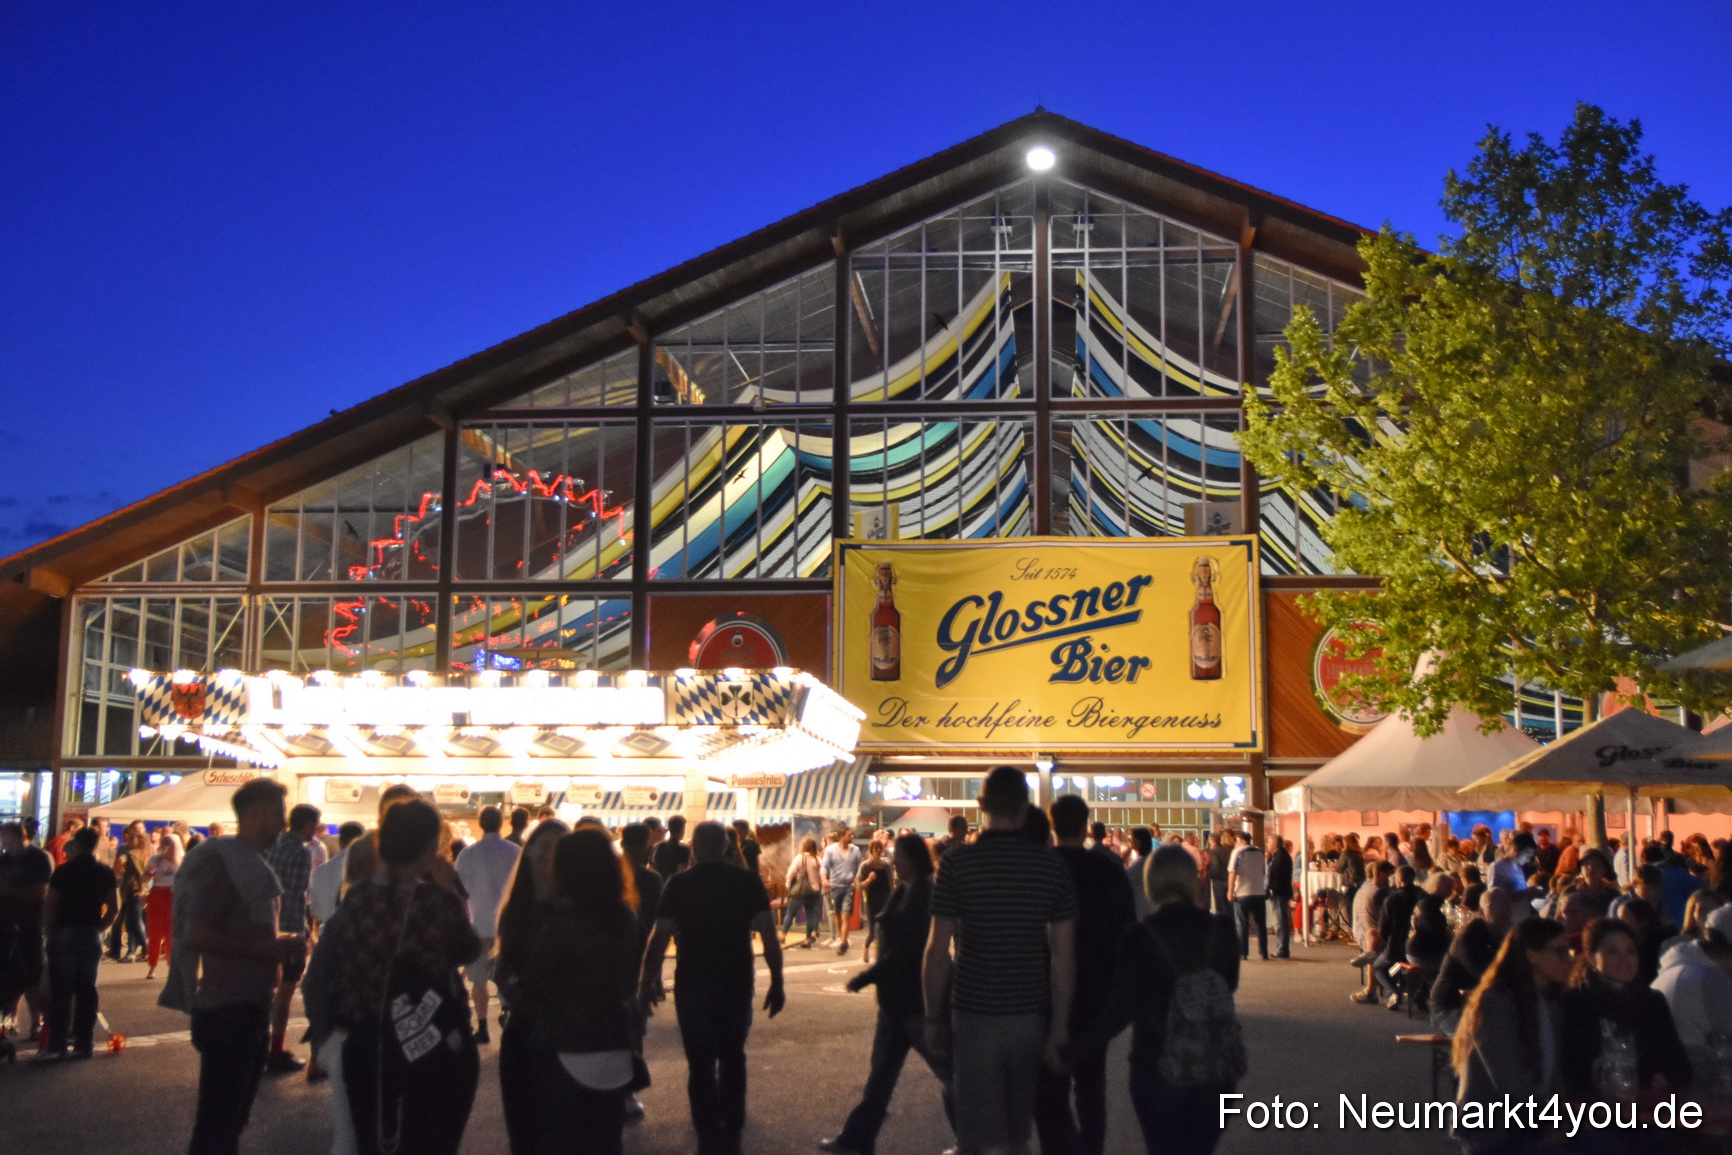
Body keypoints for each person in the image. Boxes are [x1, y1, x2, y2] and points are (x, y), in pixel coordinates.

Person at [923, 766, 1077, 1155]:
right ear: (1025, 808)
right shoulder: (1050, 867)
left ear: (981, 805)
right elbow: (1063, 958)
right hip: (1030, 1013)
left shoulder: (958, 865)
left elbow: (937, 952)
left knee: (980, 1137)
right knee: (1016, 1133)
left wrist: (932, 1017)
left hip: (974, 1013)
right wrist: (1059, 1027)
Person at [1074, 844, 1243, 1155]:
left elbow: (1119, 1009)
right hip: (1215, 1065)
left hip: (1157, 1065)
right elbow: (1228, 985)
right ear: (1193, 880)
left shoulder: (1140, 935)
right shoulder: (1222, 930)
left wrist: (1078, 1047)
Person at [168, 778, 306, 1154]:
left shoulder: (250, 863)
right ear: (256, 814)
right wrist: (264, 951)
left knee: (230, 1120)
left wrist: (279, 944)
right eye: (279, 814)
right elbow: (198, 932)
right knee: (219, 1125)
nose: (283, 824)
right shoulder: (226, 865)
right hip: (229, 1011)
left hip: (248, 1007)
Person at [337, 799, 480, 1155]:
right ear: (431, 845)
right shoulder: (436, 900)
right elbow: (469, 948)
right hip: (428, 1037)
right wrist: (452, 889)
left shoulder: (357, 899)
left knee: (377, 1139)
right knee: (431, 1139)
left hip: (369, 1040)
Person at [640, 821, 785, 1155]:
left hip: (693, 982)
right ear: (725, 846)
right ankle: (732, 1133)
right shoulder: (746, 881)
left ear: (694, 848)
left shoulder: (679, 884)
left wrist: (645, 984)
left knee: (700, 1064)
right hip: (735, 980)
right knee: (733, 1057)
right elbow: (767, 933)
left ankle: (707, 1136)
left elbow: (658, 939)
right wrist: (777, 981)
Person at [511, 829, 644, 1155]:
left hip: (565, 1047)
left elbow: (533, 987)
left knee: (564, 1140)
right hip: (614, 1045)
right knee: (608, 1140)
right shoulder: (625, 917)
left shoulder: (560, 923)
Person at [821, 834, 955, 1155]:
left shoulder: (923, 895)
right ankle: (857, 1139)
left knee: (949, 1072)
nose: (896, 863)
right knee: (882, 1076)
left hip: (914, 1002)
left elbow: (906, 952)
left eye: (901, 859)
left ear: (914, 861)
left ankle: (973, 1137)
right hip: (897, 1003)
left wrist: (867, 976)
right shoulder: (907, 892)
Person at [1035, 795, 1135, 1155]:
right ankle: (1091, 1147)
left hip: (1045, 991)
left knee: (1050, 1088)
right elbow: (1126, 931)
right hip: (1096, 992)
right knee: (1091, 1084)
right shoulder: (1107, 870)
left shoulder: (1042, 868)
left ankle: (1060, 1147)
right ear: (1085, 824)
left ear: (1052, 823)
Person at [1452, 918, 1571, 1151]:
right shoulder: (1496, 1003)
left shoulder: (1551, 1003)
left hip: (1532, 1121)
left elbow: (1553, 1074)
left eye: (1570, 951)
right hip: (1495, 1126)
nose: (1569, 959)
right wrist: (1550, 1121)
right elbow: (1509, 1083)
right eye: (1560, 952)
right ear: (1532, 956)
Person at [494, 819, 570, 1155]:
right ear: (529, 852)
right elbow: (502, 963)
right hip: (522, 1029)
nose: (548, 854)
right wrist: (514, 988)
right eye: (544, 845)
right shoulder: (516, 907)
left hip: (565, 1033)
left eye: (558, 847)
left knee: (560, 1131)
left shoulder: (575, 908)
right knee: (522, 1131)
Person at [1560, 917, 1691, 1097]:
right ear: (1592, 957)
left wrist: (1664, 1078)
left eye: (1630, 952)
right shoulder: (1575, 1003)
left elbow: (1679, 1064)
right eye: (1612, 952)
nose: (1624, 960)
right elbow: (1573, 1069)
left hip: (1649, 1108)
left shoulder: (1652, 1001)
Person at [38, 826, 117, 1060]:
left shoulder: (63, 872)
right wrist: (100, 927)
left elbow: (51, 904)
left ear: (77, 843)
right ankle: (84, 1042)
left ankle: (58, 1042)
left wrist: (49, 929)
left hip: (64, 931)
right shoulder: (105, 872)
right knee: (87, 989)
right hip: (90, 931)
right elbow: (114, 907)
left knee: (61, 989)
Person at [454, 805, 521, 1048]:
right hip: (507, 927)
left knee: (478, 981)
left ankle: (482, 1027)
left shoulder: (467, 855)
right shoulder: (515, 852)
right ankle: (507, 1012)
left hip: (478, 925)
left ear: (481, 825)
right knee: (508, 976)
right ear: (500, 823)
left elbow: (458, 892)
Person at [264, 802, 322, 1074]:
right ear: (307, 824)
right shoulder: (300, 851)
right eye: (315, 824)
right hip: (289, 927)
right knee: (286, 991)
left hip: (267, 925)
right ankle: (276, 1049)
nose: (316, 830)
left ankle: (263, 1047)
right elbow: (298, 893)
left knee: (269, 989)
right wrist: (305, 933)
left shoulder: (274, 845)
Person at [1431, 888, 1514, 1035]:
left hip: (1481, 1005)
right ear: (1481, 912)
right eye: (1495, 907)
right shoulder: (1469, 937)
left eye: (1507, 905)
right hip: (1451, 1007)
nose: (1504, 911)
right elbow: (1487, 976)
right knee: (1491, 1039)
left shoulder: (1502, 936)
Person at [0, 819, 53, 1041]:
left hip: (31, 922)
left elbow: (42, 891)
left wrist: (9, 891)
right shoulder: (3, 860)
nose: (5, 842)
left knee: (32, 974)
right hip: (5, 923)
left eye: (8, 837)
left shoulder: (38, 858)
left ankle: (37, 1022)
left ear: (21, 837)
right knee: (7, 974)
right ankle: (9, 1021)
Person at [108, 820, 150, 962]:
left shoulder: (132, 854)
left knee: (134, 922)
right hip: (133, 890)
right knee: (131, 922)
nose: (129, 840)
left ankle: (145, 949)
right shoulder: (143, 852)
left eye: (132, 838)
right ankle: (139, 950)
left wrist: (142, 889)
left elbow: (138, 874)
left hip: (132, 890)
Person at [311, 822, 366, 929]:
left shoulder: (321, 870)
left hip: (327, 932)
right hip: (359, 934)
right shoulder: (369, 871)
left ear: (340, 840)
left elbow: (316, 912)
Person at [144, 828, 182, 980]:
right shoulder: (155, 860)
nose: (166, 846)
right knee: (154, 934)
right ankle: (152, 967)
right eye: (164, 843)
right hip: (156, 895)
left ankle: (172, 967)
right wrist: (148, 874)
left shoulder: (182, 860)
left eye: (169, 843)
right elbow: (144, 879)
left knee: (170, 934)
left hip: (173, 897)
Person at [1225, 828, 1267, 961]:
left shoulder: (1237, 852)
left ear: (1241, 840)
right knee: (1261, 923)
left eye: (1236, 841)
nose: (1235, 843)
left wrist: (1230, 891)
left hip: (1243, 892)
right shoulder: (1260, 852)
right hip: (1259, 892)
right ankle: (1263, 952)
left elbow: (1232, 872)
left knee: (1242, 924)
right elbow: (1263, 871)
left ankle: (1243, 953)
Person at [821, 827, 863, 956]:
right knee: (837, 915)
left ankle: (844, 942)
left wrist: (856, 879)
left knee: (846, 914)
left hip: (849, 886)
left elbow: (859, 867)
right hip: (835, 886)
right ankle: (841, 938)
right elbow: (824, 866)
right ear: (842, 836)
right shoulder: (830, 850)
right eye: (849, 835)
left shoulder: (855, 850)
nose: (852, 837)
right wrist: (824, 879)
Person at [856, 837, 892, 966]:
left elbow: (891, 884)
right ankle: (866, 947)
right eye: (875, 848)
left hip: (885, 900)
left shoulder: (886, 866)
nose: (877, 851)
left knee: (884, 929)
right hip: (871, 901)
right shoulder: (866, 866)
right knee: (872, 931)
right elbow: (859, 886)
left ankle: (881, 955)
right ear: (871, 850)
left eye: (879, 848)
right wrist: (869, 880)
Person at [782, 837, 824, 948]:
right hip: (814, 891)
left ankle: (783, 934)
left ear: (803, 846)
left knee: (790, 913)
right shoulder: (818, 860)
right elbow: (823, 874)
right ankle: (808, 939)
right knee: (810, 915)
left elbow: (791, 873)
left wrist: (788, 885)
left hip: (801, 891)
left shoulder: (799, 858)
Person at [1265, 833, 1293, 960]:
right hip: (1279, 891)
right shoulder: (1277, 856)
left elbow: (1278, 875)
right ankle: (1281, 948)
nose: (1267, 844)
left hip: (1279, 892)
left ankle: (1282, 949)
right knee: (1280, 920)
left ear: (1275, 843)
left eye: (1269, 842)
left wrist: (1272, 889)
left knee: (1280, 920)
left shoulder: (1281, 856)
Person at [1124, 828, 1156, 920]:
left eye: (1132, 838)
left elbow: (1126, 878)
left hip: (1141, 908)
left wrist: (1123, 858)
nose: (1130, 840)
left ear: (1138, 842)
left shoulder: (1141, 863)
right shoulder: (1150, 860)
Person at [1206, 831, 1232, 916]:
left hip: (1219, 881)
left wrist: (1210, 875)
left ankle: (1222, 926)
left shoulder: (1215, 851)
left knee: (1221, 906)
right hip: (1231, 880)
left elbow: (1215, 867)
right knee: (1230, 907)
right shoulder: (1232, 850)